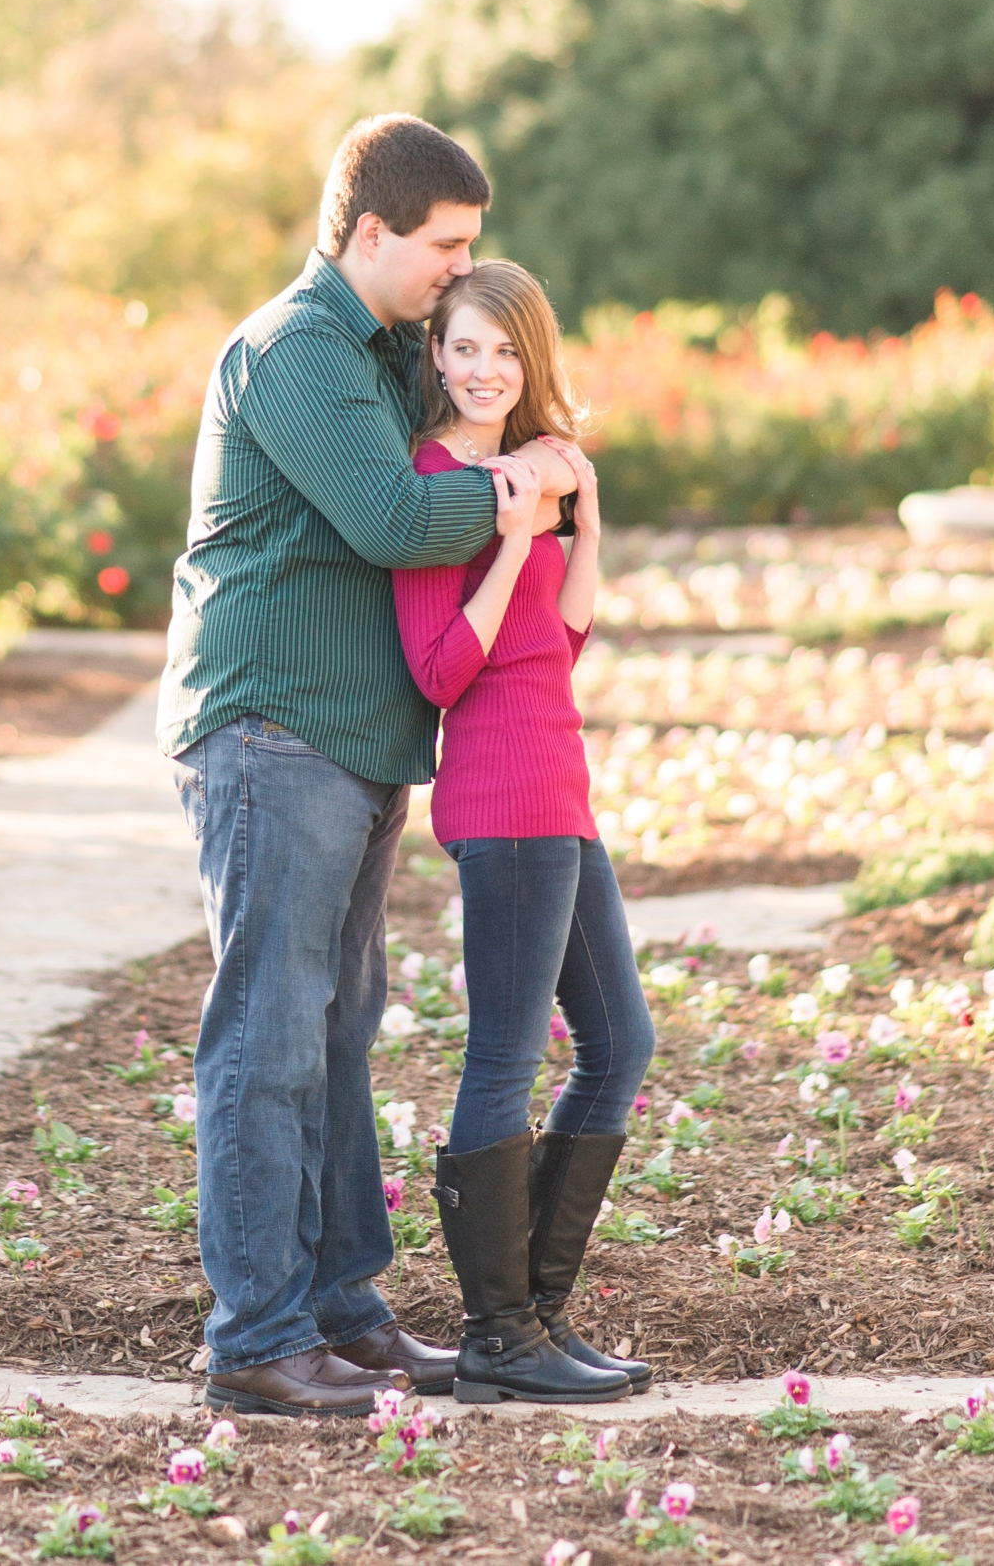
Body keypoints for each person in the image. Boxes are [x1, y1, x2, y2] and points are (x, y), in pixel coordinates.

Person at [159, 115, 577, 1419]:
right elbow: (401, 519)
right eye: (446, 246)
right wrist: (524, 491)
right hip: (271, 728)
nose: (461, 270)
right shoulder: (293, 350)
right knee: (270, 1033)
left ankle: (342, 1309)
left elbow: (450, 438)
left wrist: (516, 454)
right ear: (371, 232)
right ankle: (257, 1338)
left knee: (339, 1034)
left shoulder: (381, 351)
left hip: (352, 744)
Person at [392, 258, 655, 1405]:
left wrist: (580, 523)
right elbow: (444, 672)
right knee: (503, 1059)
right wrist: (511, 538)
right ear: (435, 357)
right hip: (499, 806)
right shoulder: (435, 477)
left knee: (621, 1046)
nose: (483, 369)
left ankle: (537, 1315)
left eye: (504, 350)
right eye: (461, 347)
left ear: (529, 359)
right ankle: (496, 1336)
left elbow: (561, 645)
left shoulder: (532, 474)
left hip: (560, 795)